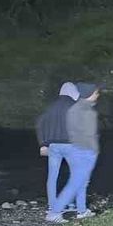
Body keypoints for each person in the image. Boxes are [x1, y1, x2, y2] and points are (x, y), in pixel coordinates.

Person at [46, 82, 101, 223]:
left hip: (73, 147)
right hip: (85, 151)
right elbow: (89, 134)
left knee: (78, 181)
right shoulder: (85, 111)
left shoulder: (74, 108)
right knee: (76, 183)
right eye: (95, 92)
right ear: (89, 94)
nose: (97, 94)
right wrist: (93, 151)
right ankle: (55, 212)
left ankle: (81, 210)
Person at [35, 81, 79, 214]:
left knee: (53, 176)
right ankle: (71, 204)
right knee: (74, 175)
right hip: (71, 145)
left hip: (53, 145)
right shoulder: (74, 106)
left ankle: (52, 206)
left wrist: (43, 144)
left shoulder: (51, 107)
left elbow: (39, 123)